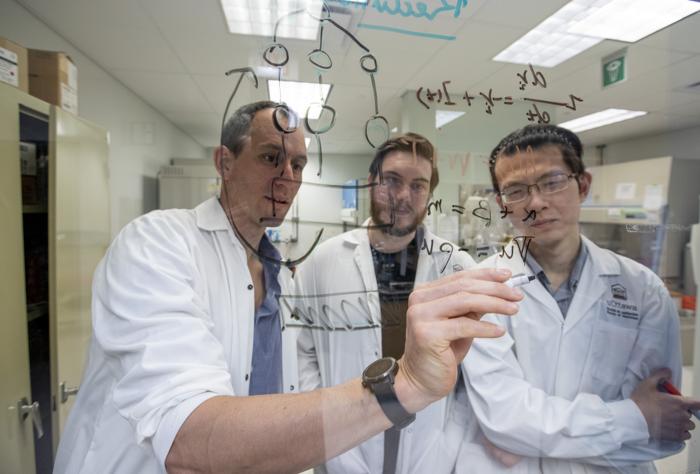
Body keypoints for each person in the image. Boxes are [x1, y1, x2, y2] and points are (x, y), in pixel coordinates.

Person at [53, 101, 523, 474]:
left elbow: (289, 382)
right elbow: (186, 439)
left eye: (298, 164)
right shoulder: (158, 243)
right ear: (224, 162)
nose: (288, 177)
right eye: (270, 158)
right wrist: (400, 389)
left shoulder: (279, 274)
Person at [455, 124, 700, 473]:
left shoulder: (644, 291)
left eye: (552, 182)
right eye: (516, 191)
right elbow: (504, 419)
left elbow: (661, 432)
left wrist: (526, 439)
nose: (536, 203)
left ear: (583, 185)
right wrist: (634, 417)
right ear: (502, 204)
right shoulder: (481, 289)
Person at [295, 133, 474, 473]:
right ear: (371, 183)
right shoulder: (322, 261)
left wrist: (449, 446)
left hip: (428, 448)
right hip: (341, 446)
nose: (403, 195)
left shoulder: (456, 266)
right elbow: (302, 352)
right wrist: (324, 421)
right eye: (391, 180)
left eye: (418, 185)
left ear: (429, 194)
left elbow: (472, 376)